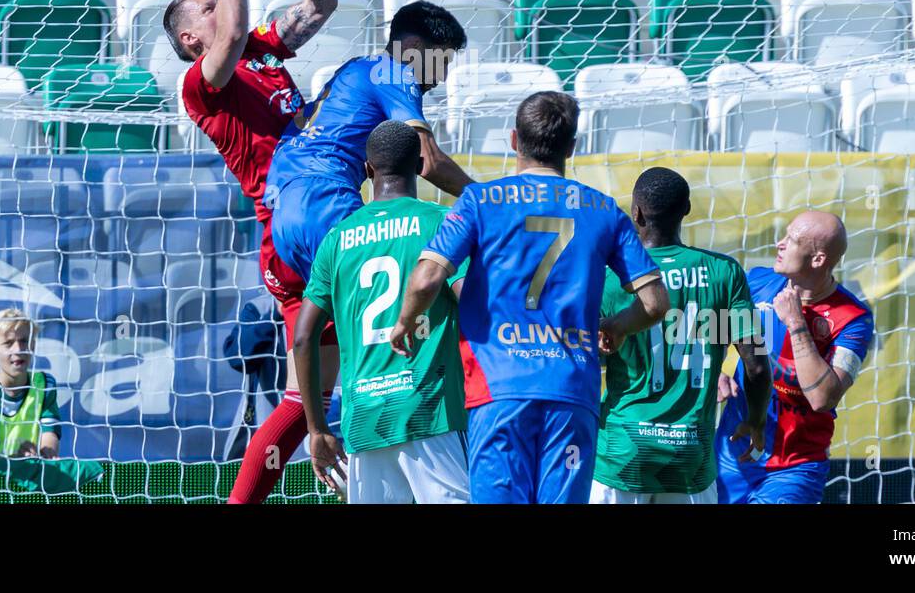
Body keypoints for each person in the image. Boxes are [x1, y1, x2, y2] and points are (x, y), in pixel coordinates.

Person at [390, 91, 669, 504]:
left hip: (498, 387)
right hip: (571, 389)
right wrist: (616, 327)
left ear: (515, 139)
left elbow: (427, 279)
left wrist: (405, 319)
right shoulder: (605, 210)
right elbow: (655, 304)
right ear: (572, 147)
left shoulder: (480, 201)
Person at [163, 0, 341, 504]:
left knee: (310, 396)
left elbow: (322, 5)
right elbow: (231, 32)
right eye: (208, 7)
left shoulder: (264, 49)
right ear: (191, 39)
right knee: (332, 383)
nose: (223, 7)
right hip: (295, 229)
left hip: (330, 212)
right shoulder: (202, 81)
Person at [292, 120, 469, 504]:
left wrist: (317, 429)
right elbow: (470, 298)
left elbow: (303, 336)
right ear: (421, 164)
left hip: (365, 417)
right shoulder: (440, 222)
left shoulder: (337, 239)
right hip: (429, 410)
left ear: (367, 169)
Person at [591, 167, 771, 504]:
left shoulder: (611, 277)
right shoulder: (725, 273)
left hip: (623, 451)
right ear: (686, 210)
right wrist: (756, 421)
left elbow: (589, 356)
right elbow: (757, 366)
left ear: (636, 212)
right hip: (690, 457)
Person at [266, 0, 474, 282]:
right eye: (442, 61)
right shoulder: (395, 72)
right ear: (413, 48)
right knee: (399, 303)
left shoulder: (356, 67)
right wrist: (486, 198)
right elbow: (430, 162)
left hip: (283, 212)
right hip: (325, 200)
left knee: (344, 319)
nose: (443, 76)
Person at [715, 210, 874, 504]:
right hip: (732, 454)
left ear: (817, 259)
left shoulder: (854, 319)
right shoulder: (754, 283)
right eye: (784, 235)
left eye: (793, 240)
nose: (780, 243)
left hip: (795, 467)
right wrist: (713, 374)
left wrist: (797, 323)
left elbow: (823, 399)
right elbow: (710, 336)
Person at [0, 308, 62, 459]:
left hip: (31, 476)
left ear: (33, 345)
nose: (18, 349)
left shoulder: (44, 385)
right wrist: (14, 459)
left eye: (24, 341)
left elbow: (50, 436)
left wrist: (45, 452)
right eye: (8, 343)